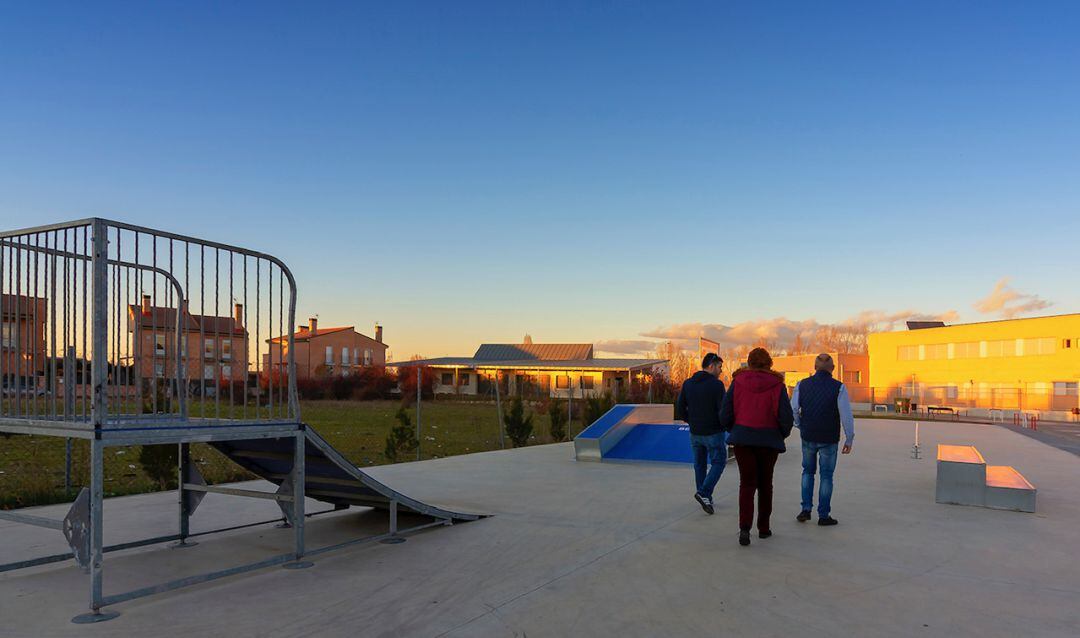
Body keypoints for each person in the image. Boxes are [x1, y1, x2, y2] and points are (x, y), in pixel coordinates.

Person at [719, 348, 794, 546]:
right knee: (765, 485)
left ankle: (744, 528)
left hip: (743, 439)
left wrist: (734, 429)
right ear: (769, 363)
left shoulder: (738, 383)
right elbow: (786, 417)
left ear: (749, 362)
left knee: (747, 484)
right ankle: (764, 528)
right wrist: (780, 434)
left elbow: (725, 413)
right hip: (769, 440)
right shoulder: (778, 385)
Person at [791, 353, 855, 526]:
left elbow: (794, 409)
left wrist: (799, 424)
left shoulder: (801, 385)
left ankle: (805, 509)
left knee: (807, 472)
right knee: (826, 476)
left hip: (808, 435)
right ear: (833, 369)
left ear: (814, 367)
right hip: (829, 437)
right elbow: (846, 415)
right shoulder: (839, 387)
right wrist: (849, 438)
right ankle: (824, 515)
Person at [676, 352, 727, 515]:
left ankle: (705, 499)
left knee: (699, 465)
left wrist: (690, 421)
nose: (721, 371)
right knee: (719, 462)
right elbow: (723, 410)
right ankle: (704, 493)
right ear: (711, 365)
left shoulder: (688, 383)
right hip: (713, 432)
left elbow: (679, 407)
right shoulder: (717, 386)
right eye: (719, 367)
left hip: (695, 432)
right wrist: (724, 425)